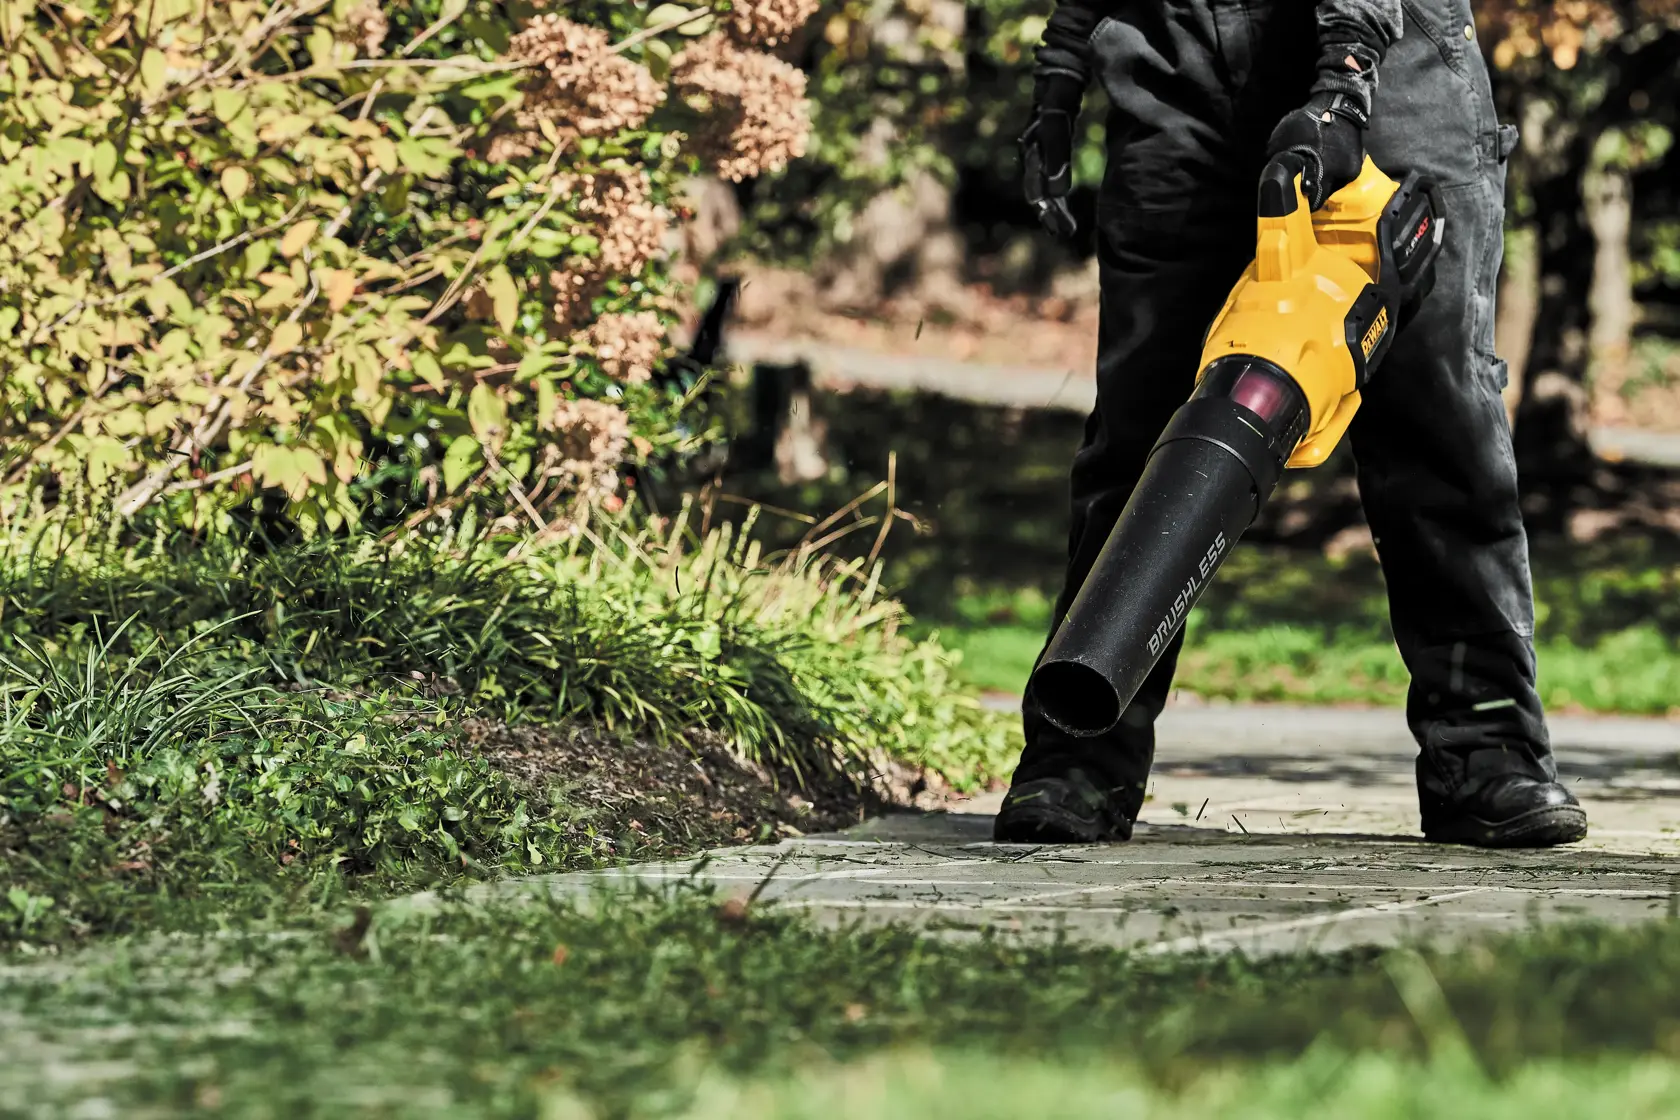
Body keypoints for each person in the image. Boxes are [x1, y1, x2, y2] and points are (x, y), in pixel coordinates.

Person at [994, 0, 1589, 848]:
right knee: (1144, 430)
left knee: (1436, 425)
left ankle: (1487, 752)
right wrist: (1063, 58)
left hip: (1395, 63)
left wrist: (1347, 77)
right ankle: (1078, 755)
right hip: (1179, 62)